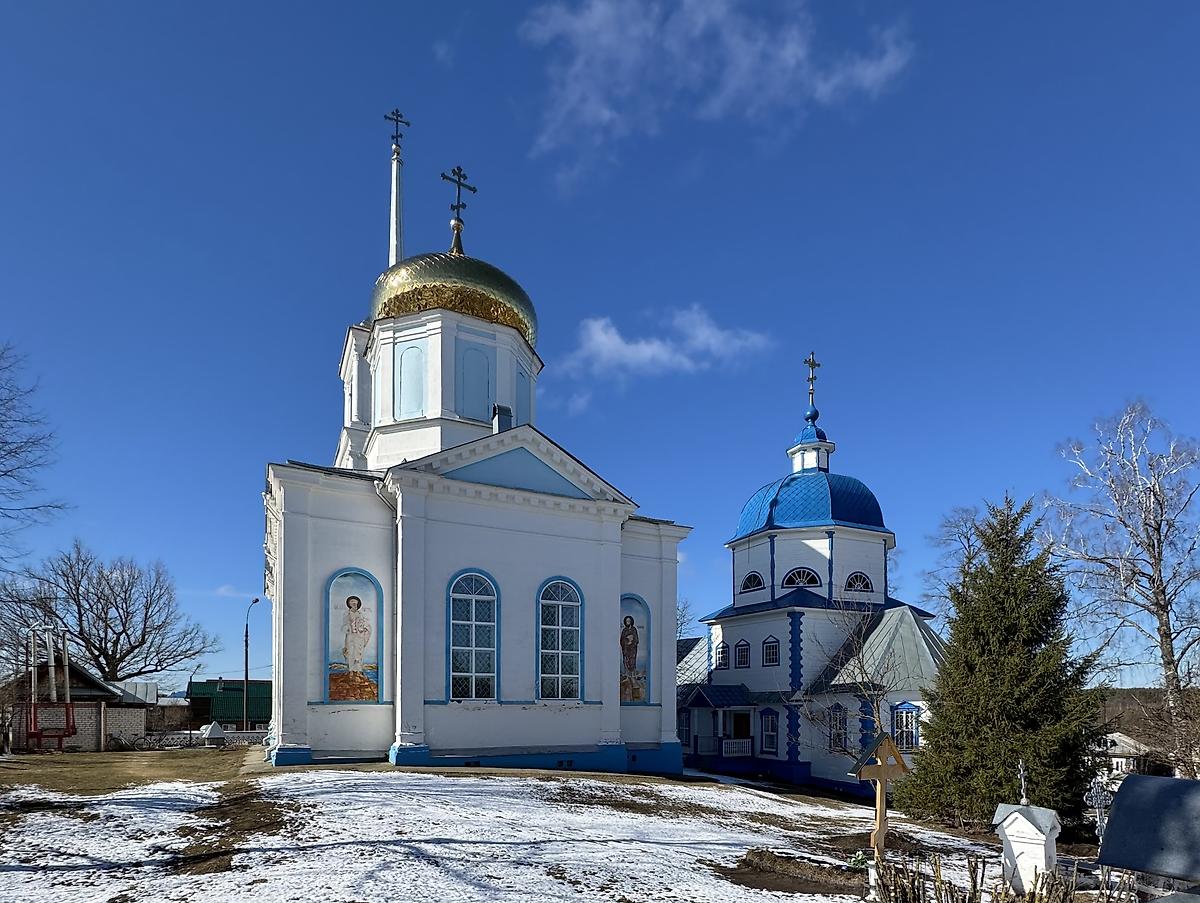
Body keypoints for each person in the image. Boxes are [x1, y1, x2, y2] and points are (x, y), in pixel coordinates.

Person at [342, 595, 371, 675]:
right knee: (350, 652)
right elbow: (344, 625)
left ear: (358, 603)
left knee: (358, 652)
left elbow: (365, 624)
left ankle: (358, 671)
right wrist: (348, 627)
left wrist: (364, 628)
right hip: (350, 636)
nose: (354, 603)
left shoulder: (361, 614)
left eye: (355, 602)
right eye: (352, 602)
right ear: (349, 604)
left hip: (359, 636)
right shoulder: (347, 614)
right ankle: (351, 670)